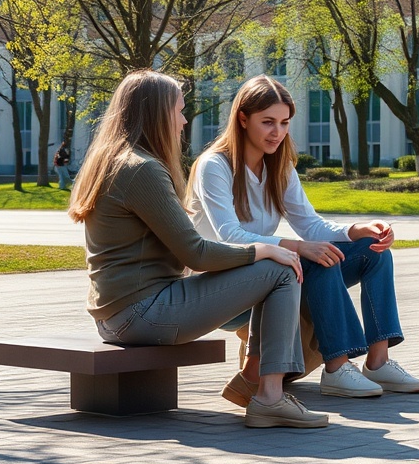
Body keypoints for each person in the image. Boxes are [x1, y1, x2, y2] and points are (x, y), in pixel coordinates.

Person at [67, 70, 328, 429]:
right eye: (179, 110)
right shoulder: (142, 170)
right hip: (142, 314)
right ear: (157, 113)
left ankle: (257, 382)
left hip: (117, 316)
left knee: (275, 268)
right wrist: (261, 251)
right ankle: (269, 397)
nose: (184, 120)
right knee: (281, 270)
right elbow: (195, 254)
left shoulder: (114, 161)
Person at [187, 74, 419, 401]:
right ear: (243, 119)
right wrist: (299, 248)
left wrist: (356, 230)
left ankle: (378, 362)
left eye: (284, 123)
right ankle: (337, 368)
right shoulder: (214, 165)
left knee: (373, 251)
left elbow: (310, 225)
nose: (277, 132)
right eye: (268, 122)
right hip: (219, 288)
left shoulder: (279, 166)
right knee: (315, 259)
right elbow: (229, 235)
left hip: (266, 274)